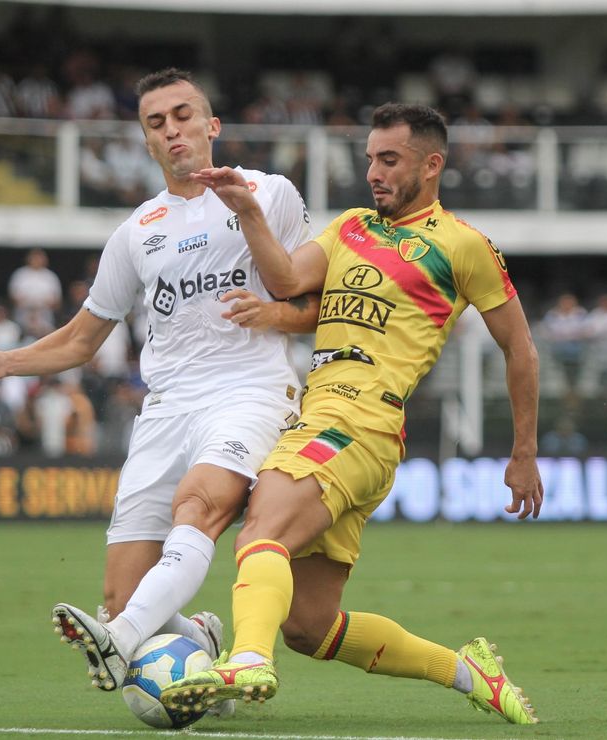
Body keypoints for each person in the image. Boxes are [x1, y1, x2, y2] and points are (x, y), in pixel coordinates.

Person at [0, 68, 318, 696]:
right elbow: (83, 340)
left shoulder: (267, 191)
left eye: (184, 115)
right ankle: (198, 640)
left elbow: (312, 303)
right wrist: (5, 362)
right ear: (146, 142)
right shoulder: (137, 231)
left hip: (248, 389)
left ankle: (119, 642)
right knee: (120, 592)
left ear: (212, 125)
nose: (173, 130)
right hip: (166, 409)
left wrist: (268, 293)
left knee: (196, 506)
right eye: (156, 123)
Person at [155, 103, 543, 725]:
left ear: (432, 164)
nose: (373, 172)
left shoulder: (463, 245)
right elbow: (284, 280)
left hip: (358, 421)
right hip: (340, 427)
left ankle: (244, 659)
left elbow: (519, 348)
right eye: (369, 159)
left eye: (389, 160)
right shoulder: (352, 226)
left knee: (263, 531)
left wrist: (523, 453)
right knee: (308, 626)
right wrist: (249, 211)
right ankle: (471, 672)